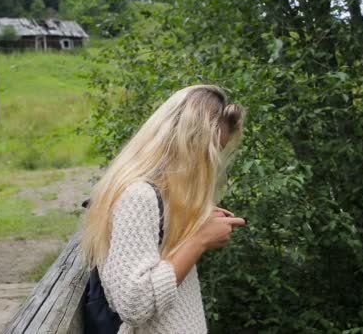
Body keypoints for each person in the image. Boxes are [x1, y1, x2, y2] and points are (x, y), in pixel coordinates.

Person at [81, 84, 247, 333]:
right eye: (209, 153)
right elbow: (134, 304)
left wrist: (192, 226)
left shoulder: (158, 194)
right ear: (185, 143)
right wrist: (199, 240)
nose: (211, 165)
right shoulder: (138, 195)